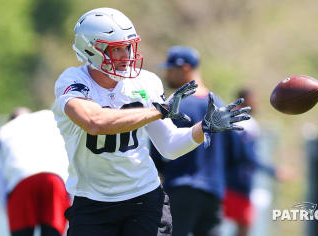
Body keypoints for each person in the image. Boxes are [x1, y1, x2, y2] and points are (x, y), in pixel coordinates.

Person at [52, 8, 251, 236]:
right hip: (92, 202)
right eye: (116, 49)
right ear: (90, 49)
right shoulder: (73, 81)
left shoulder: (145, 82)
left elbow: (170, 145)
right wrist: (158, 111)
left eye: (127, 47)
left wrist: (203, 128)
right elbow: (94, 122)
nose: (125, 56)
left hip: (143, 198)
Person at [149, 45, 233, 236]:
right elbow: (233, 154)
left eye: (170, 70)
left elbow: (157, 153)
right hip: (213, 192)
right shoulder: (219, 104)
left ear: (185, 68)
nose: (167, 75)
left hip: (180, 189)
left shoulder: (175, 105)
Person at [0, 108, 70, 236]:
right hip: (54, 179)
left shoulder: (4, 130)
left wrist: (8, 207)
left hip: (21, 182)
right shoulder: (49, 117)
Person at [223, 89, 292, 236]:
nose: (256, 103)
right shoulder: (244, 122)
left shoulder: (230, 119)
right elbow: (247, 156)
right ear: (244, 101)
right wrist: (273, 171)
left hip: (228, 181)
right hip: (236, 183)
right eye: (253, 99)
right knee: (243, 225)